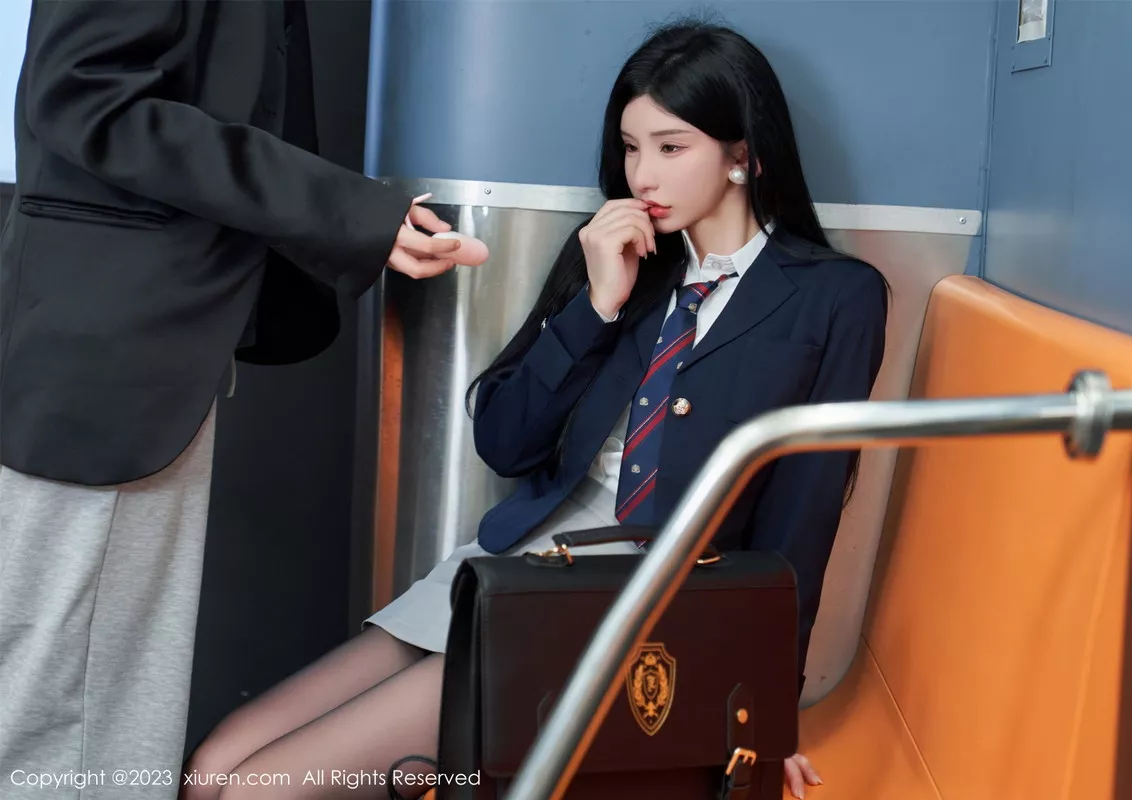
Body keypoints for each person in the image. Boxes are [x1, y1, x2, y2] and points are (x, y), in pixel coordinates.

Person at [181, 19, 888, 800]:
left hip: (635, 607)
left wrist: (767, 710)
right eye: (630, 147)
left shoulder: (834, 297)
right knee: (211, 771)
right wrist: (597, 307)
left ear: (742, 156)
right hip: (517, 566)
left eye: (670, 147)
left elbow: (801, 520)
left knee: (261, 789)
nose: (642, 174)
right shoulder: (612, 251)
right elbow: (505, 441)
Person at [0, 1, 468, 798]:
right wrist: (345, 211)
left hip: (141, 344)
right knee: (70, 724)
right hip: (110, 356)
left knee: (94, 714)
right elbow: (85, 94)